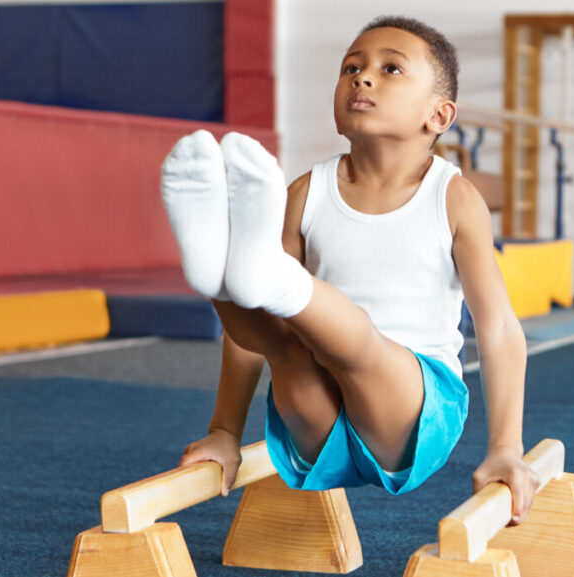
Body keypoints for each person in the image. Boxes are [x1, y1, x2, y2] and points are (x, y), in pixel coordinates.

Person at [161, 15, 539, 524]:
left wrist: (506, 446)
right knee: (283, 340)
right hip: (315, 425)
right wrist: (224, 431)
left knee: (358, 342)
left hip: (415, 414)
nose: (362, 78)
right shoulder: (305, 193)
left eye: (390, 69)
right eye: (351, 68)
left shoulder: (453, 198)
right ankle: (217, 276)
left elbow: (496, 326)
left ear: (439, 114)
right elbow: (250, 341)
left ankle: (259, 278)